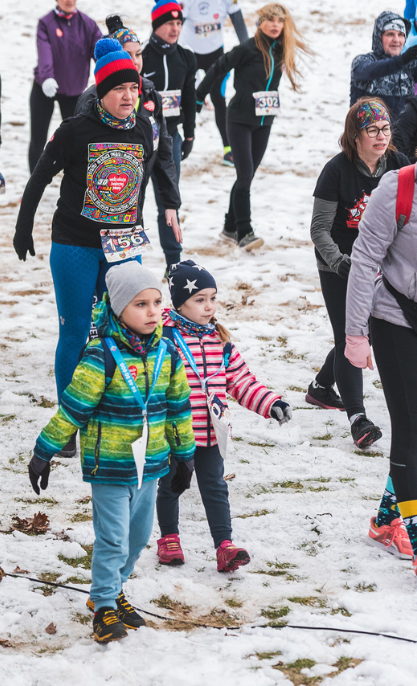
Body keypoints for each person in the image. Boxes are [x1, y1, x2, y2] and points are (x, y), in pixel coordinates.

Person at [27, 263, 193, 643]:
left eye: (156, 302)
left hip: (149, 465)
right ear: (118, 310)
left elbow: (178, 406)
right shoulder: (100, 355)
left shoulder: (167, 352)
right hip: (110, 468)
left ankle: (114, 589)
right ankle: (102, 604)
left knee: (137, 539)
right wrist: (44, 451)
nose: (152, 312)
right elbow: (73, 409)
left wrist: (184, 455)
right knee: (113, 538)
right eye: (141, 305)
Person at [15, 38, 182, 405]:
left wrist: (167, 205)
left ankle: (113, 405)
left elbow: (152, 173)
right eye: (118, 89)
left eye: (132, 88)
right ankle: (69, 418)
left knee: (124, 327)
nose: (128, 96)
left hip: (123, 246)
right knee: (76, 331)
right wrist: (23, 226)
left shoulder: (143, 128)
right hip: (76, 244)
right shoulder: (76, 129)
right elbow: (39, 176)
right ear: (102, 91)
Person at [156, 260, 291, 573]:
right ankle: (169, 539)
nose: (208, 307)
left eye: (212, 298)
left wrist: (270, 403)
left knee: (215, 486)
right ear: (179, 303)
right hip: (175, 432)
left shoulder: (219, 340)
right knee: (172, 485)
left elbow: (241, 381)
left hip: (212, 431)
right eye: (199, 300)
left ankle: (224, 546)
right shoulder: (165, 339)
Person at [309, 98, 407, 450]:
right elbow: (319, 230)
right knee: (351, 333)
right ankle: (357, 419)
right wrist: (340, 263)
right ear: (355, 136)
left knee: (356, 332)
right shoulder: (336, 171)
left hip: (379, 263)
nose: (381, 136)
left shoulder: (397, 164)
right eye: (372, 130)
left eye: (385, 129)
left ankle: (322, 387)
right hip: (338, 263)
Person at [345, 161, 417, 574]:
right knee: (410, 426)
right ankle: (412, 527)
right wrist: (355, 334)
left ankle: (387, 517)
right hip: (395, 319)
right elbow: (364, 261)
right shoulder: (398, 188)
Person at [197, 3, 310, 251]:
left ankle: (229, 227)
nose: (275, 24)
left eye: (279, 21)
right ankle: (244, 232)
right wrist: (198, 97)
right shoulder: (247, 48)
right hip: (239, 120)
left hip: (264, 122)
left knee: (245, 177)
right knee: (245, 175)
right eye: (270, 19)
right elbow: (218, 68)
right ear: (260, 23)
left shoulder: (281, 51)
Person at [75, 17, 181, 272]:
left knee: (127, 284)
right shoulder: (92, 99)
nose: (135, 61)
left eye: (139, 54)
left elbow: (163, 149)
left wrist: (170, 203)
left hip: (134, 205)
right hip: (96, 208)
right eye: (128, 54)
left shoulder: (149, 94)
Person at [142, 0, 197, 268]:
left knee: (170, 199)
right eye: (169, 23)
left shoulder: (186, 58)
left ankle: (173, 262)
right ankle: (128, 256)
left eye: (179, 24)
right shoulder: (140, 55)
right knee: (132, 199)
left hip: (170, 139)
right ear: (156, 26)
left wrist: (189, 134)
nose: (175, 28)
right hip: (139, 139)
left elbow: (189, 98)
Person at [177, 0, 248, 167]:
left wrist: (249, 49)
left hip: (215, 54)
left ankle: (228, 150)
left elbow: (239, 23)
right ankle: (175, 140)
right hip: (190, 52)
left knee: (219, 99)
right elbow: (174, 22)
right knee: (185, 96)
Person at [28, 0, 102, 175]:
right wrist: (47, 77)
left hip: (73, 90)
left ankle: (74, 180)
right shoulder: (46, 23)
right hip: (45, 87)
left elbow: (100, 52)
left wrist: (110, 72)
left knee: (74, 138)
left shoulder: (87, 24)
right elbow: (44, 53)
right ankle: (32, 182)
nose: (70, 0)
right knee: (38, 138)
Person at [349, 11, 417, 117]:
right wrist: (401, 60)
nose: (396, 40)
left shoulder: (409, 65)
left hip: (402, 132)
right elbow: (370, 71)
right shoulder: (362, 61)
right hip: (367, 131)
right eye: (390, 34)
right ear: (379, 37)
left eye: (401, 35)